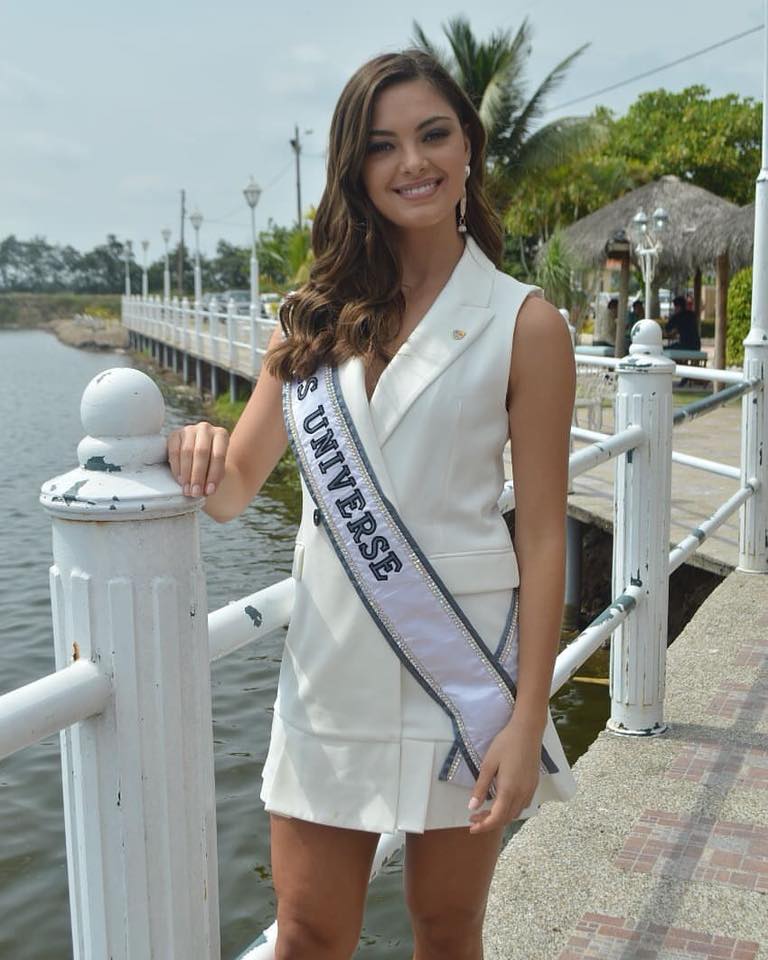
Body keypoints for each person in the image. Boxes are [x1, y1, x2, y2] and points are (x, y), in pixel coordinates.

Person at [167, 48, 577, 960]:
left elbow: (545, 537)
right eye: (383, 146)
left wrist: (526, 717)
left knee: (447, 930)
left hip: (464, 676)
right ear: (356, 169)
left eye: (434, 135)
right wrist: (190, 444)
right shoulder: (309, 318)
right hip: (332, 667)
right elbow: (235, 489)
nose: (413, 163)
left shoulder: (526, 322)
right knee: (309, 936)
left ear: (469, 146)